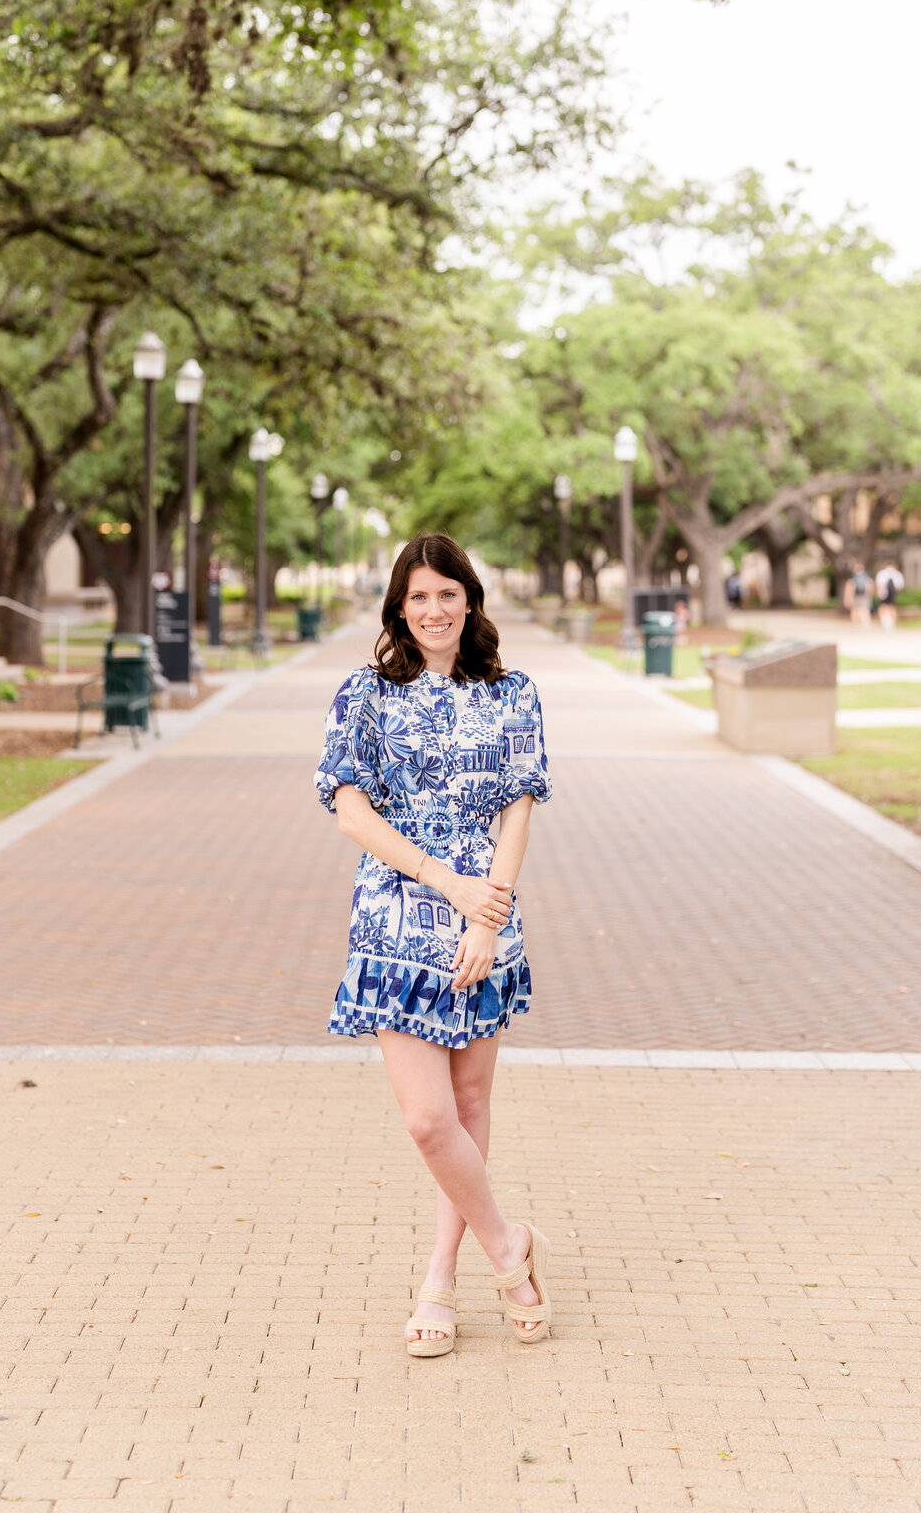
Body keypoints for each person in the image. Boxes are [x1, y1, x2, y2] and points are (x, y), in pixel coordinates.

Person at [315, 532, 552, 1358]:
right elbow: (349, 809)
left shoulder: (512, 694)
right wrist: (440, 881)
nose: (434, 610)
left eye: (447, 593)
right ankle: (509, 1248)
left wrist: (486, 915)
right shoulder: (366, 695)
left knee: (473, 1106)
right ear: (398, 608)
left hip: (485, 919)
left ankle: (441, 1280)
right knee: (427, 1119)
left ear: (469, 599)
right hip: (394, 913)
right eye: (417, 597)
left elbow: (520, 807)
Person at [844, 561, 874, 627]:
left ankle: (856, 624)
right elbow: (870, 586)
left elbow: (849, 586)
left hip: (856, 595)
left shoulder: (852, 576)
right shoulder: (867, 575)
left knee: (856, 609)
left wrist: (847, 597)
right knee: (863, 609)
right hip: (863, 595)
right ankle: (864, 622)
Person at [875, 563, 904, 632]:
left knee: (886, 607)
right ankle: (887, 622)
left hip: (887, 593)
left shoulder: (882, 573)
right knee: (889, 606)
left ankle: (887, 622)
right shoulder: (897, 574)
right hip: (889, 593)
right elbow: (900, 585)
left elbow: (879, 584)